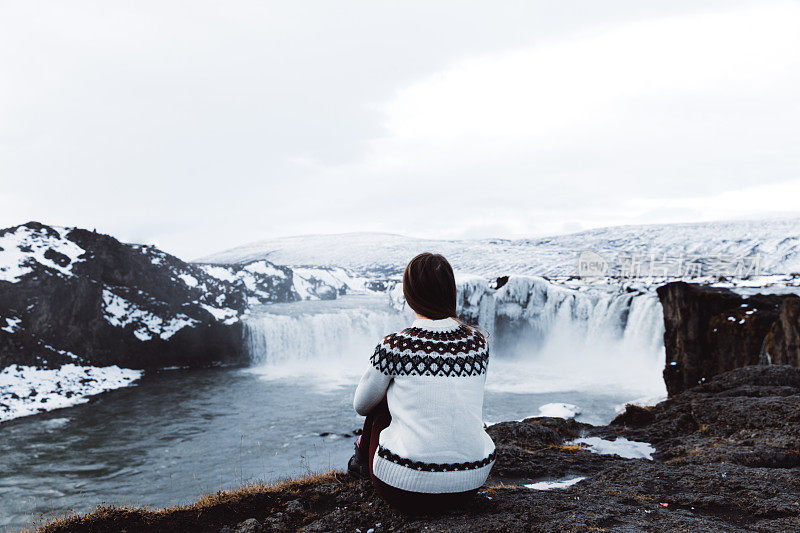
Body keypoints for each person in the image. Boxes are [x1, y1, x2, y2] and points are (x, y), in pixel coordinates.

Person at [348, 252, 495, 512]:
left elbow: (361, 405)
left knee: (380, 402)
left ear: (409, 295)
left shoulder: (396, 345)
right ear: (451, 292)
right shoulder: (478, 343)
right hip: (471, 481)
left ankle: (359, 463)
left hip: (403, 487)